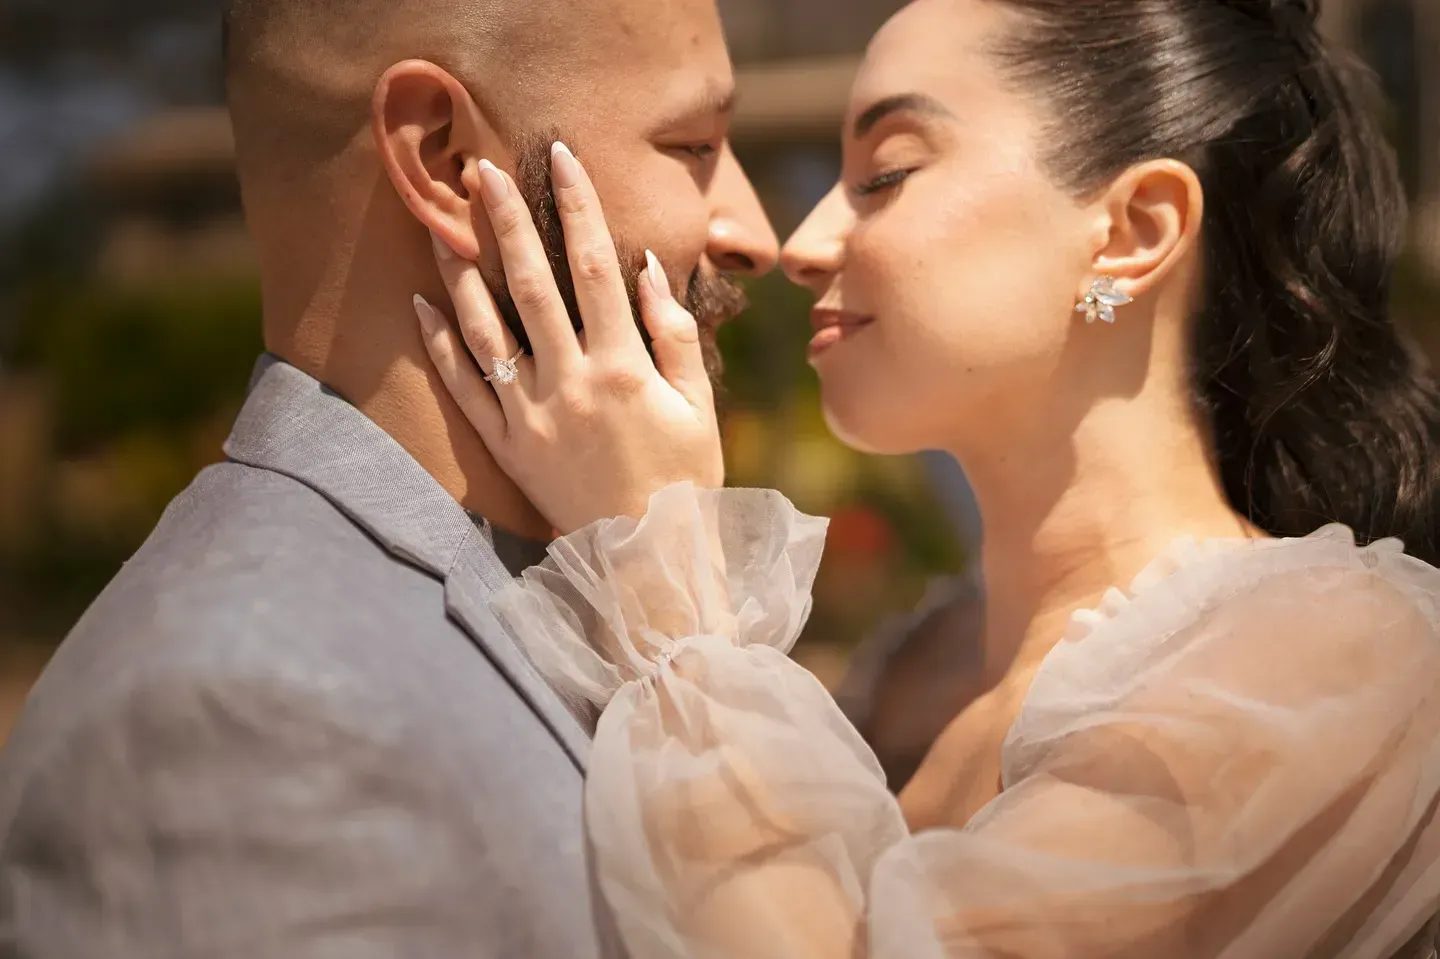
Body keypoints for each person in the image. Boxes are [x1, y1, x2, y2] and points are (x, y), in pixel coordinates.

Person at [418, 0, 1440, 955]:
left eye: (887, 173)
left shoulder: (1326, 654)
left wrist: (654, 549)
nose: (801, 243)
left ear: (1134, 233)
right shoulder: (917, 663)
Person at [0, 0, 778, 955]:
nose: (757, 233)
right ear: (447, 160)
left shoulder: (600, 580)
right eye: (694, 143)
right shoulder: (243, 716)